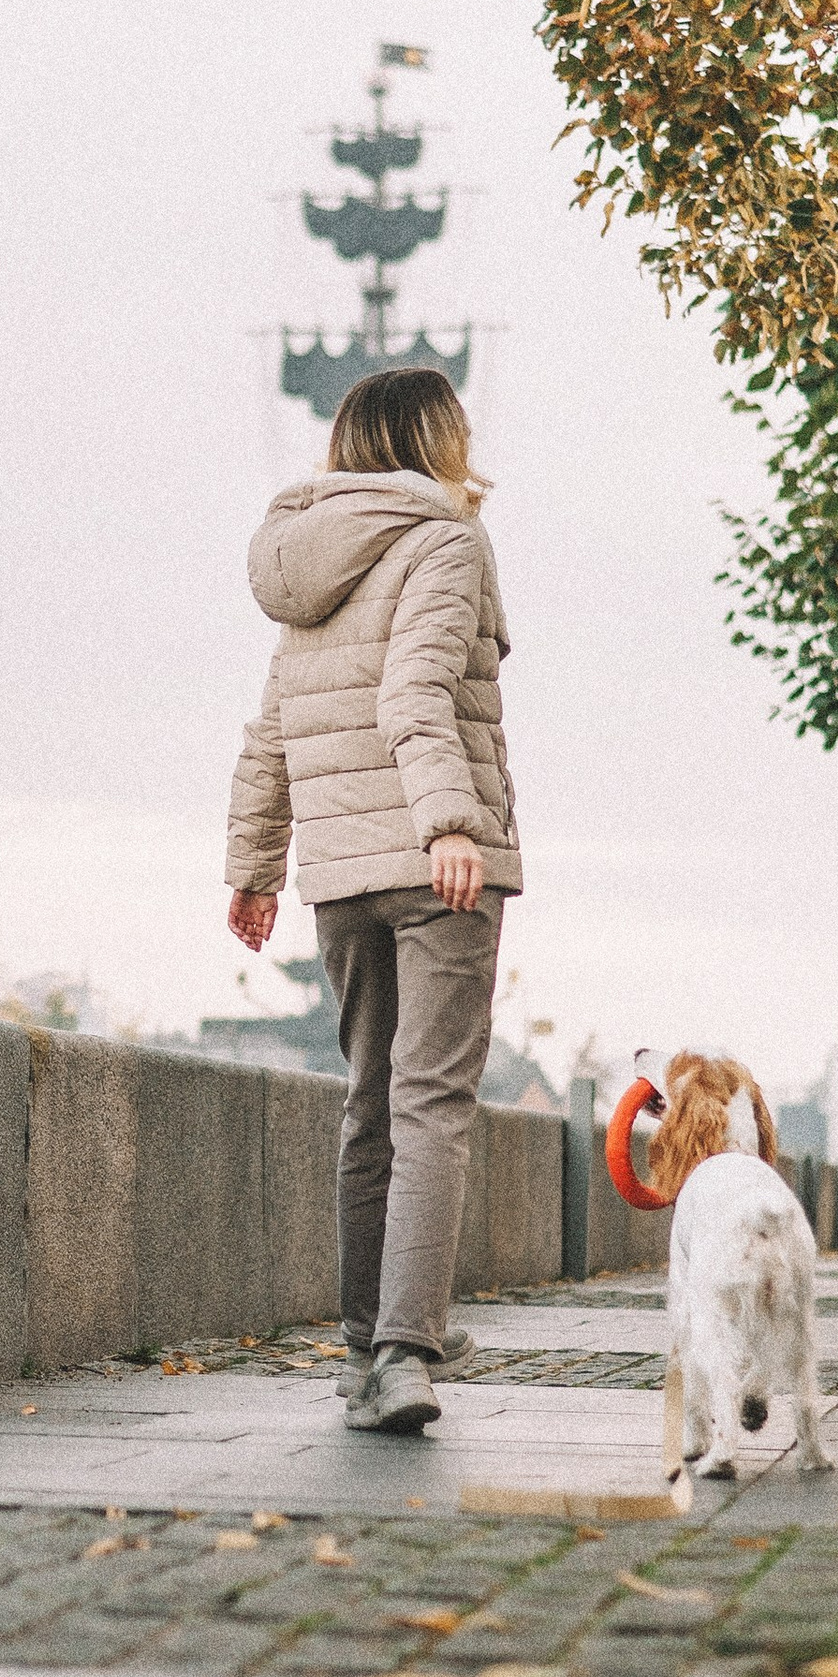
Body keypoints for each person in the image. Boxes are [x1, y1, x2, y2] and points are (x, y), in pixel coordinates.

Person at [224, 367, 520, 1436]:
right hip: (439, 865)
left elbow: (272, 728)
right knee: (431, 1105)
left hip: (342, 875)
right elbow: (416, 692)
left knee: (370, 1103)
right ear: (434, 437)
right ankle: (404, 1352)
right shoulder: (445, 537)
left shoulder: (305, 556)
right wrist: (450, 823)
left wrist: (255, 864)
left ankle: (365, 1344)